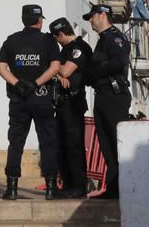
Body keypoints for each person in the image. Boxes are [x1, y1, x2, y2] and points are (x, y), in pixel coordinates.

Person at [0, 4, 63, 201]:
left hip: (18, 98)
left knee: (16, 142)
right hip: (41, 97)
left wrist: (18, 84)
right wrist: (35, 84)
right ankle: (51, 188)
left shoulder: (11, 40)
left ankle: (12, 188)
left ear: (23, 19)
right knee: (48, 141)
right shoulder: (48, 41)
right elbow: (55, 67)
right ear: (40, 20)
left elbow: (1, 68)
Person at [83, 3, 131, 199]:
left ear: (102, 15)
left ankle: (120, 187)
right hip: (102, 95)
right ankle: (112, 188)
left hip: (114, 96)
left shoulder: (115, 38)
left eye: (92, 17)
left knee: (115, 141)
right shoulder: (102, 40)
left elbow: (120, 61)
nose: (90, 21)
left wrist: (94, 72)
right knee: (105, 143)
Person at [49, 17, 92, 199]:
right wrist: (59, 74)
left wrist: (53, 65)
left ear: (60, 34)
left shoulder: (78, 48)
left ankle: (78, 185)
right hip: (62, 102)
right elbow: (62, 72)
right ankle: (67, 184)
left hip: (73, 103)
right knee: (62, 145)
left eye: (56, 38)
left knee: (73, 146)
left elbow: (66, 71)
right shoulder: (65, 50)